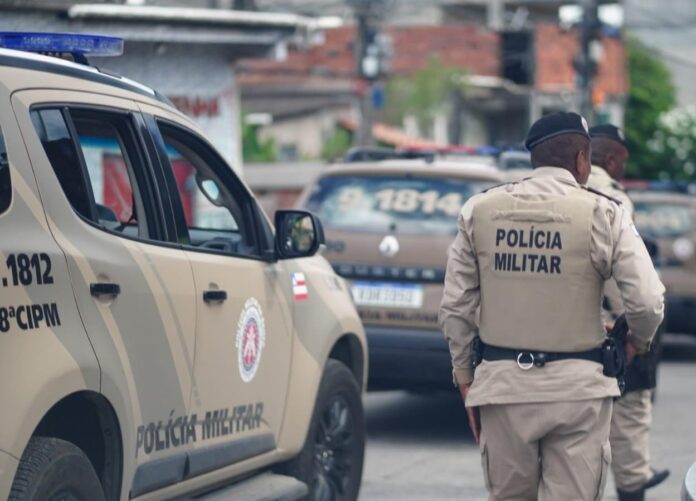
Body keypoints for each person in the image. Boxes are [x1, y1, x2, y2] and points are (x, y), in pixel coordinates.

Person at [440, 112, 665, 500]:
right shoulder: (605, 212)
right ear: (582, 159)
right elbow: (647, 302)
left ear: (535, 158)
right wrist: (637, 342)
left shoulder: (479, 210)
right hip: (579, 392)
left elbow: (456, 307)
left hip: (503, 387)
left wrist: (464, 376)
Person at [588, 124, 670, 501]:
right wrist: (636, 333)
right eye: (622, 162)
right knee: (630, 409)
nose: (623, 170)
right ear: (610, 159)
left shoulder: (554, 190)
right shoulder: (614, 198)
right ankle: (634, 481)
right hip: (610, 325)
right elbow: (625, 280)